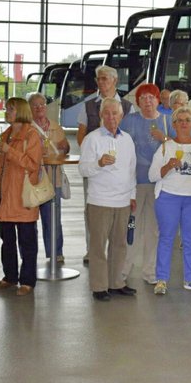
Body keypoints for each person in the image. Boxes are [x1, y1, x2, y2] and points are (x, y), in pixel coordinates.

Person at [79, 98, 137, 302]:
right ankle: (99, 286)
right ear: (101, 115)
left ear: (121, 116)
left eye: (115, 114)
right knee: (98, 246)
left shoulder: (127, 139)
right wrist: (99, 163)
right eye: (107, 113)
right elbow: (83, 169)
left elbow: (131, 170)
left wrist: (132, 196)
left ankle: (116, 283)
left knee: (119, 245)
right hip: (99, 201)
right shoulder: (92, 139)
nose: (111, 117)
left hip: (122, 201)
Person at [148, 107, 191, 295]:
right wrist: (168, 166)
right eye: (180, 120)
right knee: (166, 238)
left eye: (188, 120)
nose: (184, 123)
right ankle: (161, 279)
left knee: (190, 240)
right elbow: (152, 176)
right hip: (169, 197)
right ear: (174, 125)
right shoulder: (166, 147)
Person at [0, 98, 43, 296]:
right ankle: (9, 277)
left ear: (21, 111)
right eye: (7, 108)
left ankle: (27, 281)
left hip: (22, 197)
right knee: (7, 240)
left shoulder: (32, 135)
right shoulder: (6, 134)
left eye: (11, 109)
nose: (6, 111)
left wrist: (9, 151)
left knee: (27, 242)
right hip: (4, 197)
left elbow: (32, 165)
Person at [77, 65, 133, 264]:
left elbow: (130, 137)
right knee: (91, 211)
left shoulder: (127, 106)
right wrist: (91, 157)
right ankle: (92, 249)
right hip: (95, 170)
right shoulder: (88, 105)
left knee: (119, 218)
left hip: (119, 175)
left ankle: (116, 254)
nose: (101, 82)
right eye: (99, 79)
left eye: (105, 79)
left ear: (114, 81)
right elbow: (81, 134)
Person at [119, 83, 168, 286]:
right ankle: (123, 270)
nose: (147, 101)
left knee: (154, 230)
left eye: (151, 97)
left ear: (158, 100)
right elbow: (119, 145)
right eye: (143, 98)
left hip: (159, 186)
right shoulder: (129, 121)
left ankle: (150, 272)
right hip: (134, 185)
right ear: (137, 102)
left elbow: (181, 144)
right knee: (131, 227)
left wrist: (164, 138)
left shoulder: (167, 120)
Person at [28, 93, 70, 263]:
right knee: (29, 220)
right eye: (35, 105)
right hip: (31, 181)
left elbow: (65, 148)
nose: (39, 108)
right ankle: (29, 255)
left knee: (53, 218)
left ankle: (56, 252)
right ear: (29, 108)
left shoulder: (55, 126)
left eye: (42, 104)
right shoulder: (27, 128)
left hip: (53, 179)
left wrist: (64, 147)